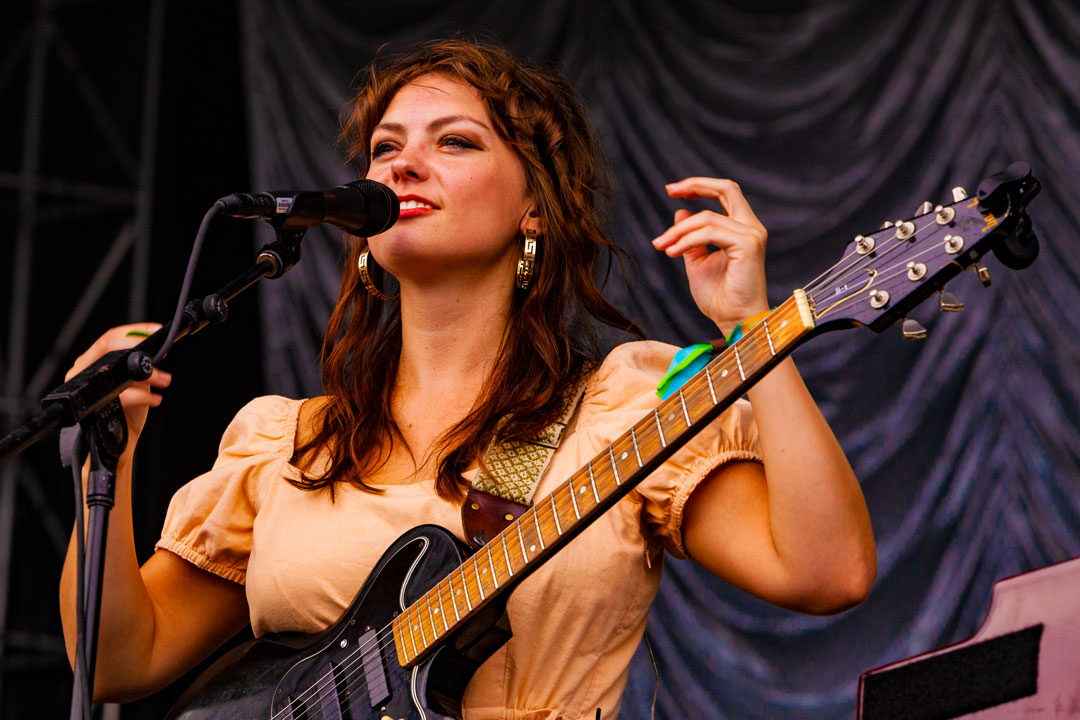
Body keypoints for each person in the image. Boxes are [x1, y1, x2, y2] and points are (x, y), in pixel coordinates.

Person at [59, 39, 875, 718]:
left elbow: (825, 572)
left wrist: (752, 330)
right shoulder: (287, 445)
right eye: (386, 148)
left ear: (535, 210)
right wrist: (111, 455)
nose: (405, 164)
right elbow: (116, 664)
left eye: (455, 142)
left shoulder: (619, 412)